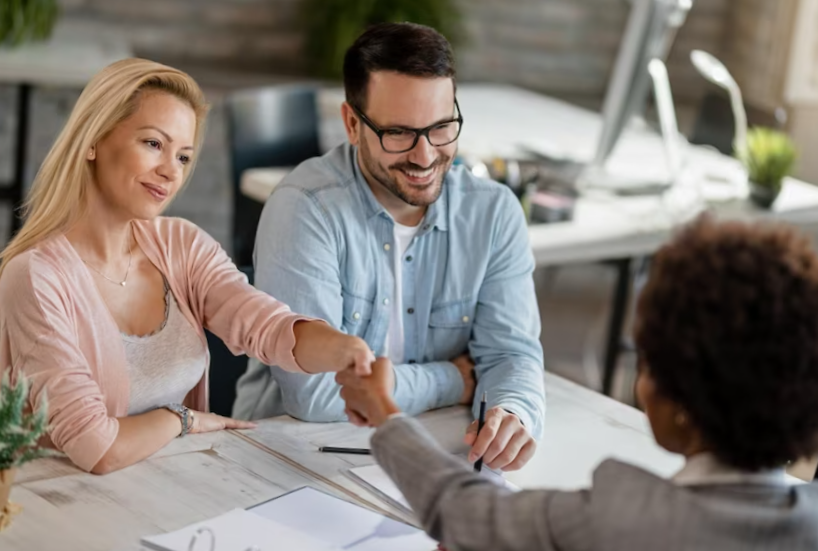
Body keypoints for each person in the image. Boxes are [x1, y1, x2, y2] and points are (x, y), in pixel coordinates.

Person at [337, 216, 818, 550]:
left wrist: (385, 410)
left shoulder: (621, 520)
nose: (642, 385)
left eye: (647, 366)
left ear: (681, 406)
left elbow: (461, 511)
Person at [0, 59, 374, 475]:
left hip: (172, 485)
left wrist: (347, 352)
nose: (169, 171)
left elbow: (264, 324)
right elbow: (96, 447)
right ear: (93, 140)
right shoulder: (36, 277)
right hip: (62, 504)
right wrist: (185, 419)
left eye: (182, 156)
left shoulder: (181, 245)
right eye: (153, 144)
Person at [233, 22, 545, 471]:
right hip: (290, 461)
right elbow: (317, 395)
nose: (424, 156)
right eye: (398, 133)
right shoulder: (304, 209)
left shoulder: (493, 213)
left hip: (434, 452)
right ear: (352, 124)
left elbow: (511, 355)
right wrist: (453, 380)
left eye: (441, 127)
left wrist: (513, 411)